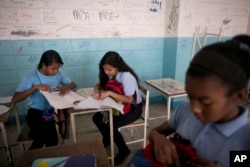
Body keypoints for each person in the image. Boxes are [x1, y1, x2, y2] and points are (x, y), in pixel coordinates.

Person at [147, 35, 250, 167]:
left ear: (238, 95)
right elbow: (153, 133)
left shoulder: (245, 138)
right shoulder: (184, 110)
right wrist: (159, 139)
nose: (194, 108)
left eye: (206, 102)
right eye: (190, 96)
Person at [12, 50, 77, 150]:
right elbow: (15, 98)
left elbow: (73, 84)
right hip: (35, 114)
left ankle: (47, 159)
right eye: (53, 68)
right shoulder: (31, 77)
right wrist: (35, 87)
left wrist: (66, 86)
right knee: (41, 138)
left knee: (53, 141)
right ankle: (30, 158)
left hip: (51, 115)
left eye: (58, 68)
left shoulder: (58, 74)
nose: (56, 71)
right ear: (43, 65)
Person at [92, 51, 143, 165]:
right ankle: (109, 138)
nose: (106, 72)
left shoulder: (126, 76)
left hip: (133, 109)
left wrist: (109, 93)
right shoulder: (111, 74)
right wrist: (96, 91)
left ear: (117, 67)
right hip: (117, 105)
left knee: (112, 125)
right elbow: (98, 84)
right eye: (104, 69)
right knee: (96, 118)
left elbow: (129, 99)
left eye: (109, 70)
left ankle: (124, 150)